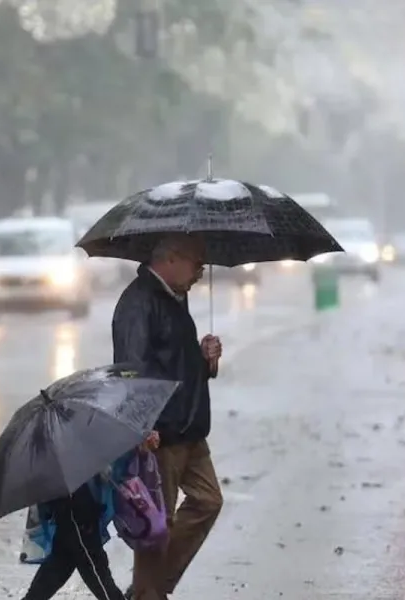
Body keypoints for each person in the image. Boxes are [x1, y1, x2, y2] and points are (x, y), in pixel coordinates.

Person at [111, 234, 224, 600]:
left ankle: (150, 589)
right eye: (197, 264)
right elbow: (132, 370)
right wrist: (142, 425)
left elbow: (174, 361)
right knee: (158, 524)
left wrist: (205, 359)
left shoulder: (175, 297)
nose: (200, 274)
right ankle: (148, 593)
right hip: (161, 431)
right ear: (172, 259)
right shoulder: (138, 303)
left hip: (190, 426)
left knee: (208, 501)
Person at [22, 433, 160, 600]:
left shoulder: (71, 424)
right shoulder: (61, 430)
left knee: (61, 562)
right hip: (74, 503)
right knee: (92, 564)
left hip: (77, 499)